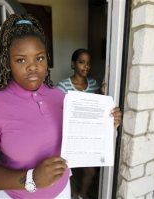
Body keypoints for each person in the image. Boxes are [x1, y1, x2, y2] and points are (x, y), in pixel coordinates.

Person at [0, 14, 121, 199]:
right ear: (7, 62)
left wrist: (104, 123)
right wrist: (31, 179)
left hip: (62, 190)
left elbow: (76, 141)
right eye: (21, 60)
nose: (33, 67)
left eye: (39, 58)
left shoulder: (60, 97)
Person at [57, 48, 115, 199]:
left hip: (90, 137)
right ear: (73, 64)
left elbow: (99, 108)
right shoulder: (62, 87)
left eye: (88, 63)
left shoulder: (94, 84)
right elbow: (56, 112)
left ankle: (81, 194)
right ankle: (66, 194)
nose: (86, 67)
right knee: (64, 170)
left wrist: (102, 94)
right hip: (70, 137)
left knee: (91, 171)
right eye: (81, 62)